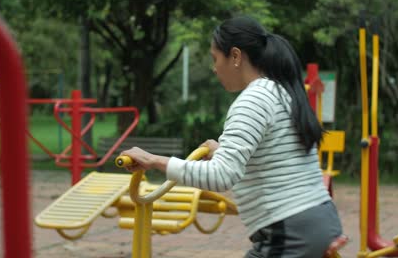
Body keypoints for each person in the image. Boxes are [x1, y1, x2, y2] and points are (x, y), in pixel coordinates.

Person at [120, 15, 343, 257]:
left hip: (290, 229)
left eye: (215, 59)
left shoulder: (253, 99)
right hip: (320, 219)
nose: (214, 68)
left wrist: (154, 161)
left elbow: (221, 176)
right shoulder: (281, 91)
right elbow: (273, 156)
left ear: (235, 56)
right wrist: (222, 152)